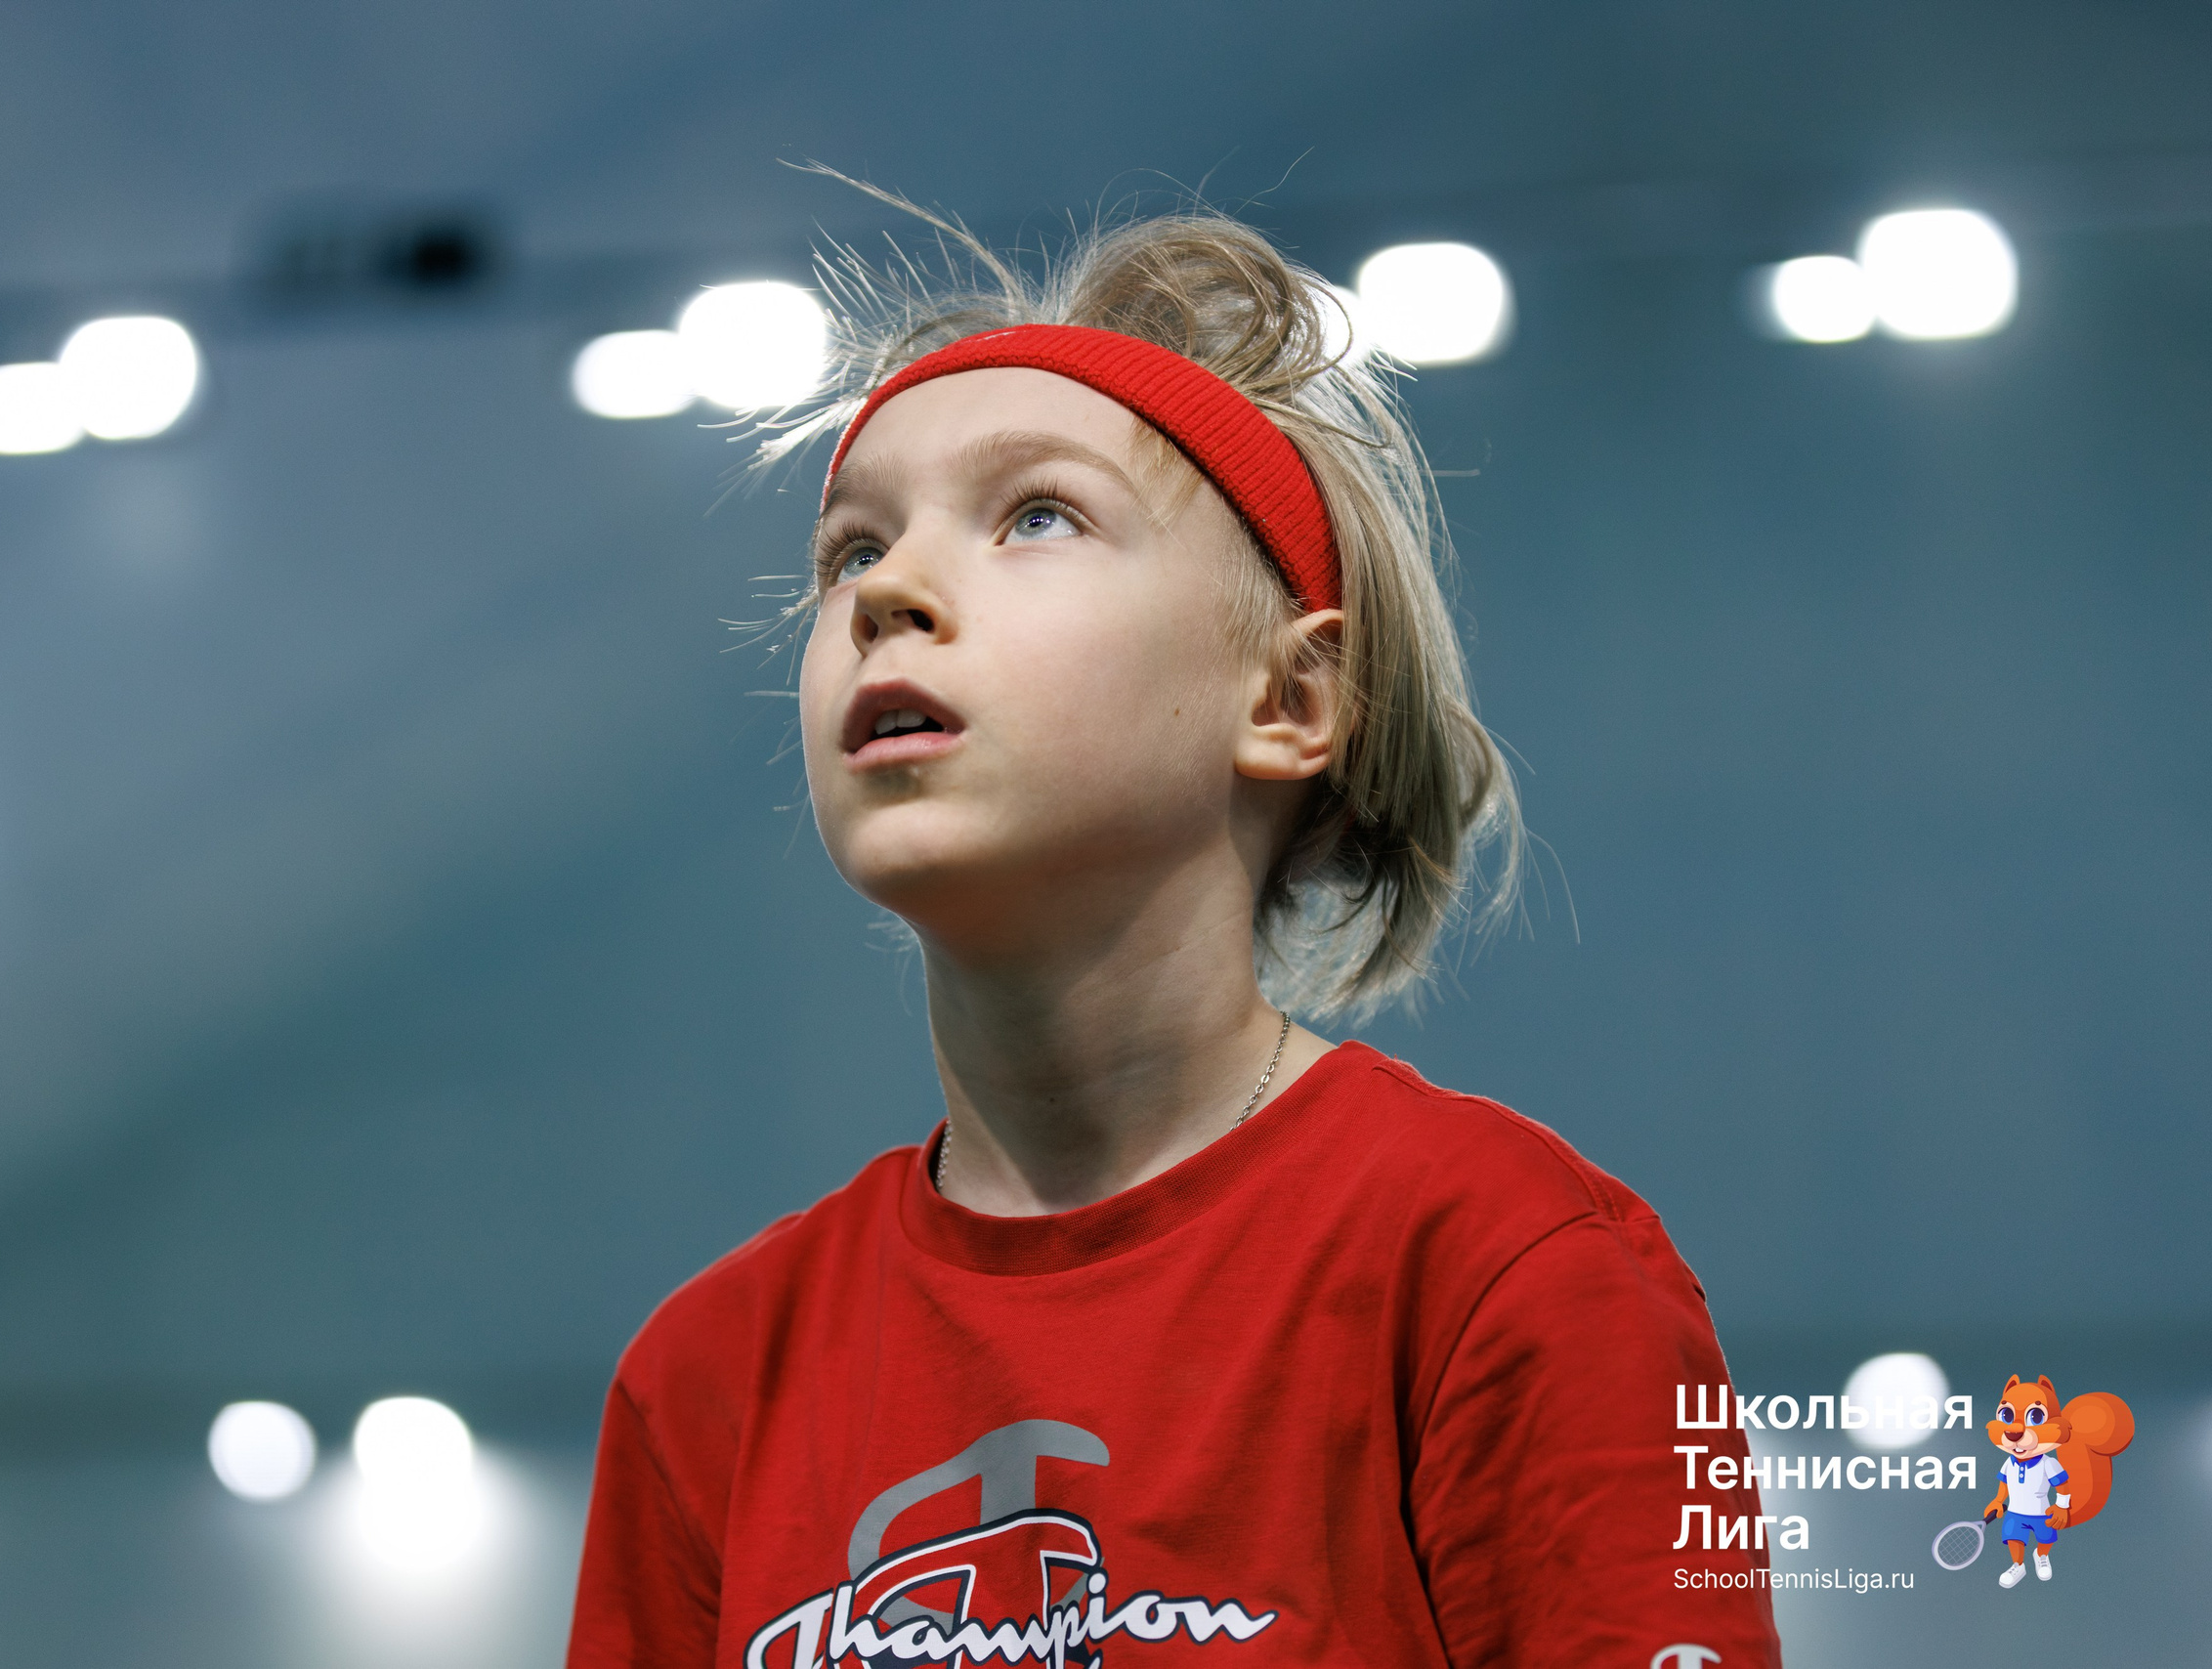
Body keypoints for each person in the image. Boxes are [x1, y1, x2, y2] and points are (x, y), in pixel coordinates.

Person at [568, 195, 1780, 1667]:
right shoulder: (707, 1381)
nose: (884, 592)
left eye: (1037, 515)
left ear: (1289, 701)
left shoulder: (1511, 1269)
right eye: (847, 552)